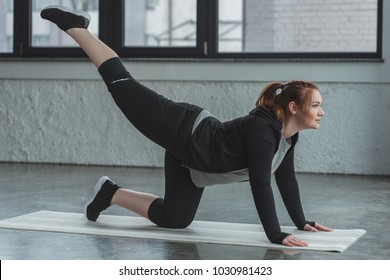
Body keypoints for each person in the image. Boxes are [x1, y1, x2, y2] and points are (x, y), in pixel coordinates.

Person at [40, 5, 332, 247]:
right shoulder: (263, 131)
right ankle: (76, 26)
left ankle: (109, 193)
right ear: (293, 108)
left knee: (176, 218)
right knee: (122, 86)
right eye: (316, 105)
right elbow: (260, 184)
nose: (321, 112)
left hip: (193, 160)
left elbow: (286, 180)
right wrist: (276, 235)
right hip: (184, 128)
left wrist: (301, 222)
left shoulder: (287, 138)